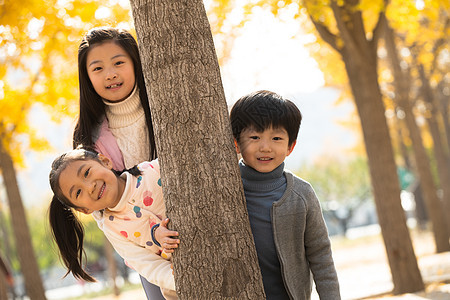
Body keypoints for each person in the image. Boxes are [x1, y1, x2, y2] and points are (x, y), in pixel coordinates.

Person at [72, 27, 164, 299]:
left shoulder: (163, 104)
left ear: (136, 63)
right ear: (87, 77)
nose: (110, 74)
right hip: (147, 244)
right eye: (97, 68)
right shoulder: (89, 139)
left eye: (119, 63)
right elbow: (102, 211)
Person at [229, 90, 340, 299]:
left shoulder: (301, 194)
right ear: (236, 142)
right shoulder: (224, 190)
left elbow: (321, 255)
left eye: (276, 138)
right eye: (254, 137)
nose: (265, 147)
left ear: (291, 146)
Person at [48, 148, 180, 299]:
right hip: (176, 284)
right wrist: (181, 280)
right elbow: (146, 264)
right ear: (84, 210)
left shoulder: (151, 171)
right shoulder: (113, 228)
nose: (90, 187)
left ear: (105, 161)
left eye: (86, 173)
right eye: (78, 192)